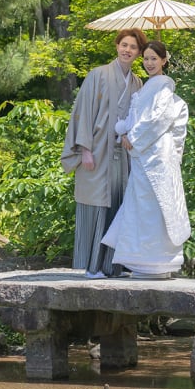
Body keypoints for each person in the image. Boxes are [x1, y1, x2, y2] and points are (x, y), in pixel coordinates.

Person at [61, 27, 149, 279]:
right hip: (97, 149)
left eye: (133, 47)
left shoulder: (137, 83)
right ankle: (92, 267)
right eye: (124, 45)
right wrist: (84, 149)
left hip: (122, 152)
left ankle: (112, 266)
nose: (127, 50)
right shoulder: (98, 75)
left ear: (139, 53)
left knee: (119, 202)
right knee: (96, 203)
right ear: (117, 46)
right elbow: (83, 111)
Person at [100, 40, 190, 279]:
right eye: (146, 58)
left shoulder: (164, 88)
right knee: (142, 205)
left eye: (154, 59)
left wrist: (134, 137)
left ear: (164, 61)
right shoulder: (147, 88)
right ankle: (142, 261)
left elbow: (158, 119)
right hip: (143, 154)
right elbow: (137, 118)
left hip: (156, 154)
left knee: (156, 206)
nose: (149, 63)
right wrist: (124, 131)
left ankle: (158, 262)